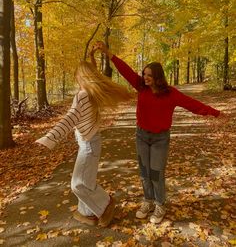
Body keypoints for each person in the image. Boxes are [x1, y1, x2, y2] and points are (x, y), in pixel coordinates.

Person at [95, 41, 222, 224]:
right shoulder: (141, 87)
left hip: (160, 139)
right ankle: (148, 201)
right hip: (141, 136)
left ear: (157, 77)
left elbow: (193, 104)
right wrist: (108, 53)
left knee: (156, 173)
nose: (145, 77)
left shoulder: (171, 93)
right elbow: (125, 70)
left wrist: (216, 113)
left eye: (149, 75)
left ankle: (160, 204)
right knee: (144, 173)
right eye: (144, 74)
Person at [35, 49, 133, 227]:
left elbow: (69, 119)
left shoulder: (82, 96)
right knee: (86, 182)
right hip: (92, 143)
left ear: (80, 77)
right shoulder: (92, 93)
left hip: (88, 146)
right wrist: (92, 59)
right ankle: (87, 214)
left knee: (78, 184)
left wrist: (49, 137)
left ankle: (106, 202)